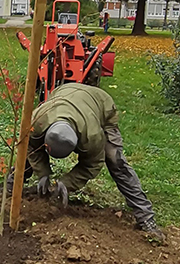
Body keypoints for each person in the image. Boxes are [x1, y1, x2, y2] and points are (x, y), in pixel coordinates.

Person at [25, 82, 164, 241]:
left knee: (115, 160)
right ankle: (11, 187)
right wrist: (43, 174)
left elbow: (92, 164)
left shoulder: (92, 136)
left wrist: (67, 183)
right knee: (29, 150)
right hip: (65, 92)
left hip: (101, 105)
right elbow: (29, 146)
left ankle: (145, 217)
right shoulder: (37, 121)